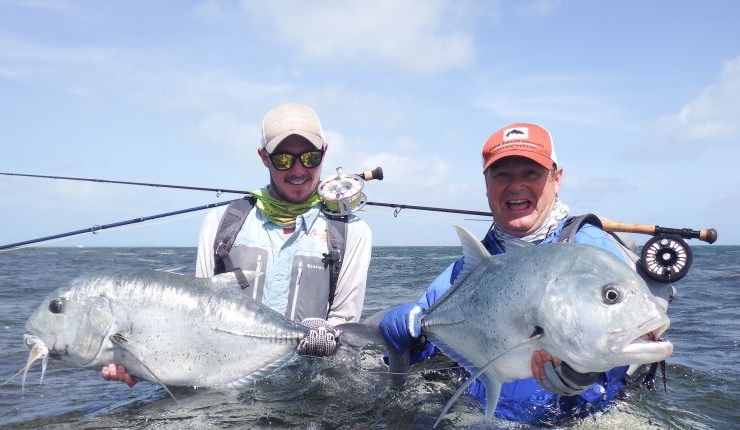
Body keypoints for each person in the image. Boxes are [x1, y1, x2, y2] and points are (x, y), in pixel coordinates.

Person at [379, 122, 642, 425]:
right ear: (487, 184)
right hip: (477, 416)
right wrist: (404, 341)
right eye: (502, 174)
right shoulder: (470, 268)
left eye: (531, 173)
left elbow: (623, 339)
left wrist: (584, 377)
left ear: (557, 179)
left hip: (576, 420)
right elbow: (422, 347)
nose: (516, 185)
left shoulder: (591, 253)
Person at [103, 103, 373, 386]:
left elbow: (345, 330)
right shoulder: (221, 223)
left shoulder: (351, 232)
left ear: (324, 153)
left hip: (306, 392)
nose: (297, 169)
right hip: (227, 390)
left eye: (310, 157)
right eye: (283, 159)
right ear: (264, 158)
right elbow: (196, 323)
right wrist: (140, 363)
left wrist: (327, 335)